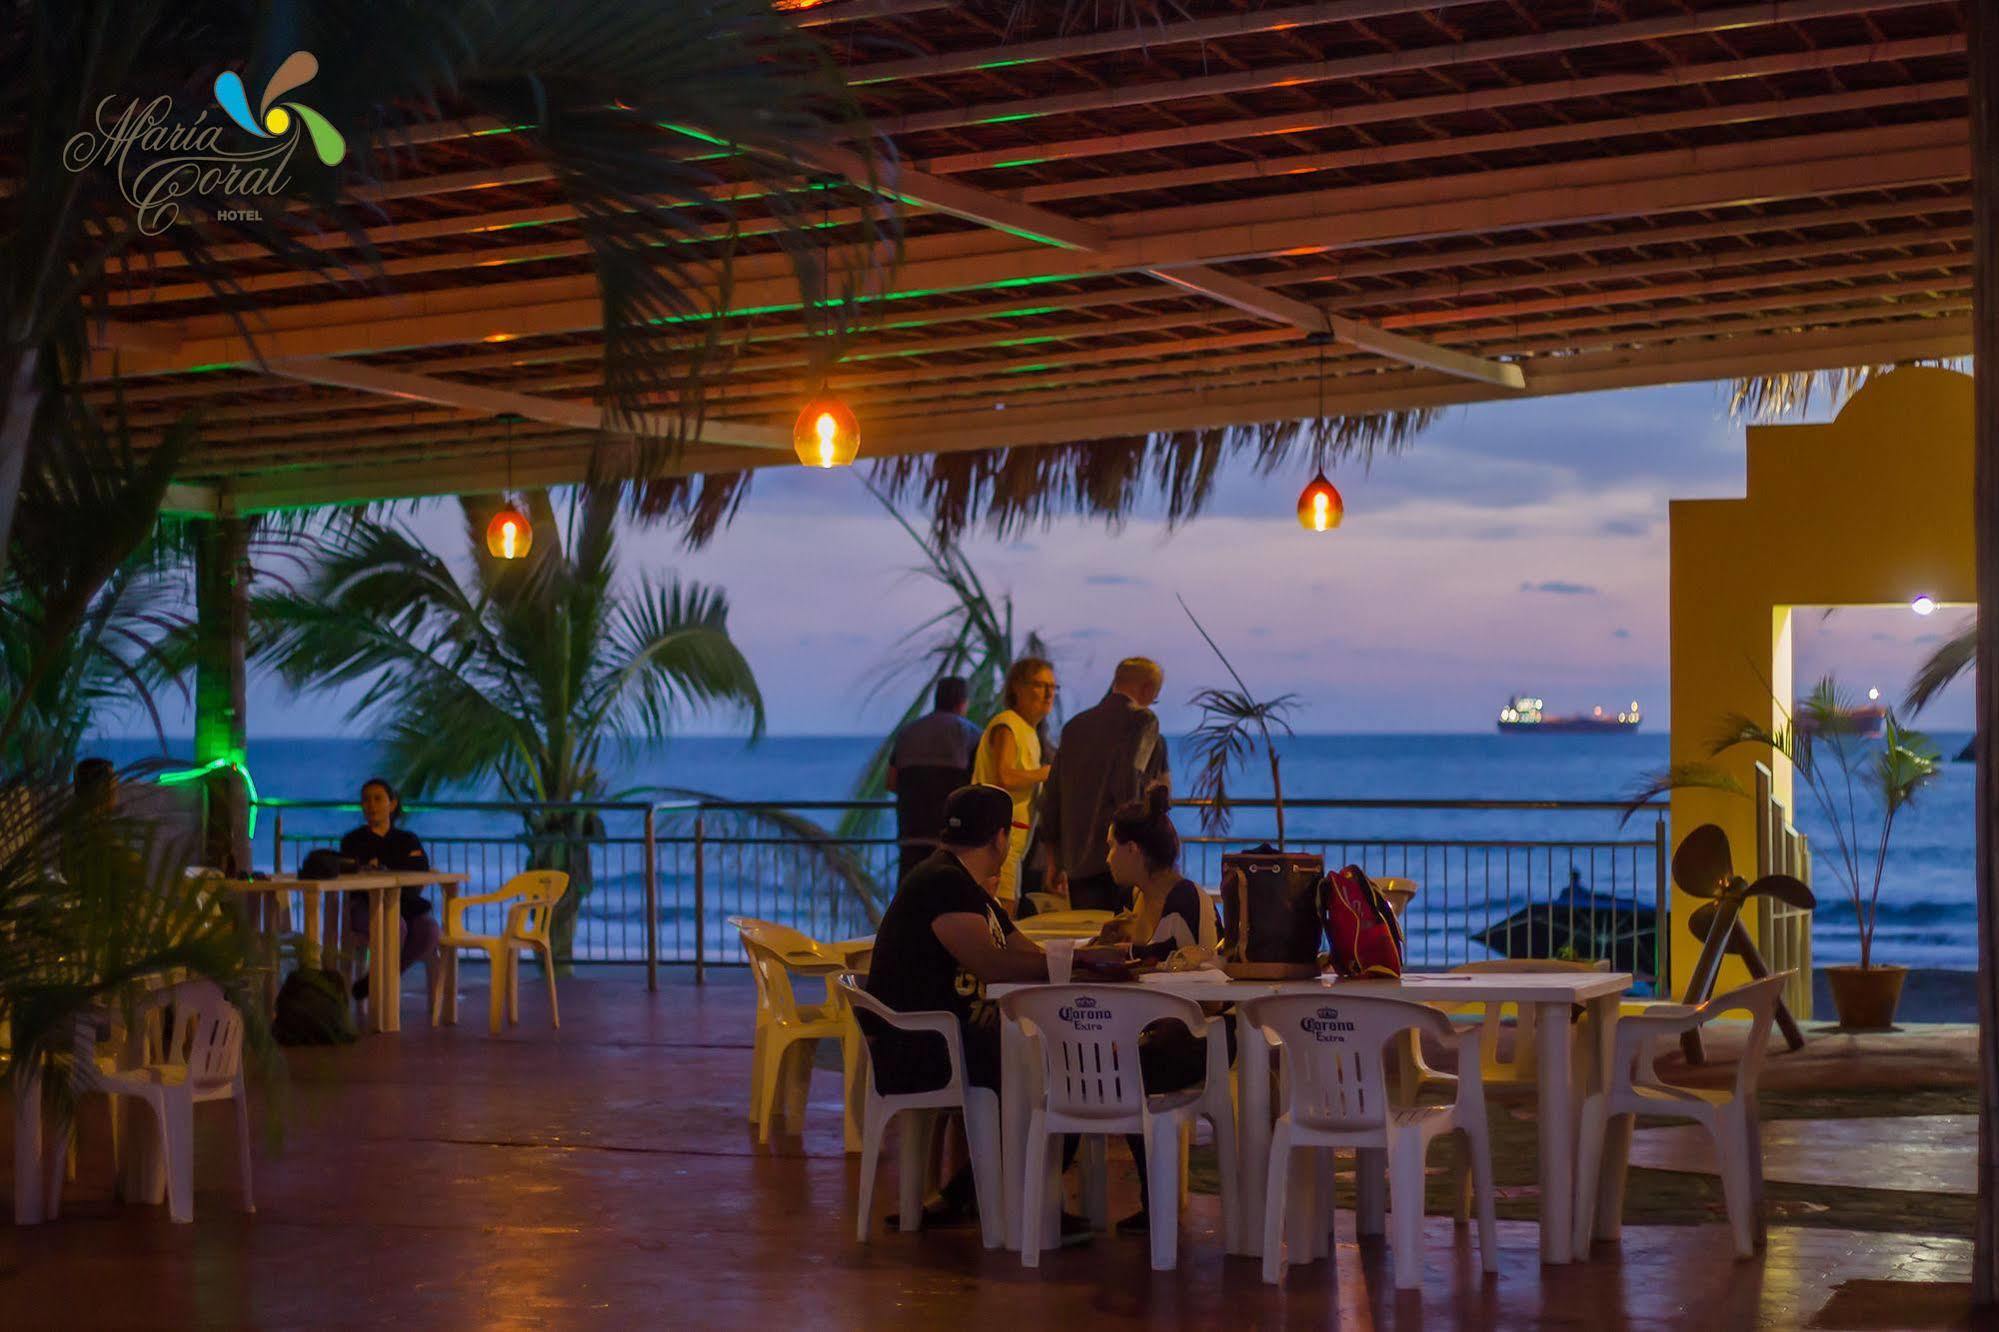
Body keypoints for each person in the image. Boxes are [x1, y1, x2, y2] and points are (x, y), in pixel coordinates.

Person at [860, 783, 1087, 1242]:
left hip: (943, 1039)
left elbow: (1024, 951)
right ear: (1001, 839)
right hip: (923, 1047)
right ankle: (1029, 1209)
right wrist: (1071, 966)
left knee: (1057, 1056)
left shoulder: (961, 884)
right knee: (1059, 1065)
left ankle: (981, 1196)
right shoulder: (942, 884)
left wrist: (1079, 960)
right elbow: (993, 962)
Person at [1095, 787, 1229, 1235]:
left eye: (1113, 845)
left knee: (1117, 1069)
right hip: (1159, 1031)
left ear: (1134, 850)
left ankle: (1157, 1203)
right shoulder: (1142, 900)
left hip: (1200, 1034)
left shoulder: (1184, 899)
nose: (1108, 855)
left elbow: (1186, 975)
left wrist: (1127, 953)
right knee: (1088, 1064)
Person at [1041, 657, 1169, 913]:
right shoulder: (1143, 720)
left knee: (1089, 942)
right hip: (1123, 855)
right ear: (1147, 690)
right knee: (1124, 940)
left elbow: (1052, 795)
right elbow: (1129, 783)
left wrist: (1053, 858)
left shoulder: (1074, 727)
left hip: (1076, 860)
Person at [968, 657, 1056, 912]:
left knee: (1007, 906)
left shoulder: (1028, 731)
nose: (1049, 693)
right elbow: (1004, 777)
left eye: (1053, 686)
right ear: (1017, 687)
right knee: (1003, 909)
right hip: (997, 836)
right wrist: (1045, 773)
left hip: (1011, 839)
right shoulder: (1008, 724)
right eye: (1040, 685)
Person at [339, 777, 439, 1000]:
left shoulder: (407, 839)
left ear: (392, 804)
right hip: (364, 906)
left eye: (377, 799)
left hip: (404, 904)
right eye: (366, 800)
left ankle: (375, 980)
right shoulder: (353, 841)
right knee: (395, 927)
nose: (371, 805)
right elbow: (351, 871)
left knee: (430, 930)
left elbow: (420, 866)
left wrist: (382, 866)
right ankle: (381, 999)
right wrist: (397, 865)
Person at [885, 676, 981, 885]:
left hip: (911, 834)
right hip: (951, 839)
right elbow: (978, 786)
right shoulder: (970, 733)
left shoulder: (907, 732)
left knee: (911, 904)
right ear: (963, 702)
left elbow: (891, 783)